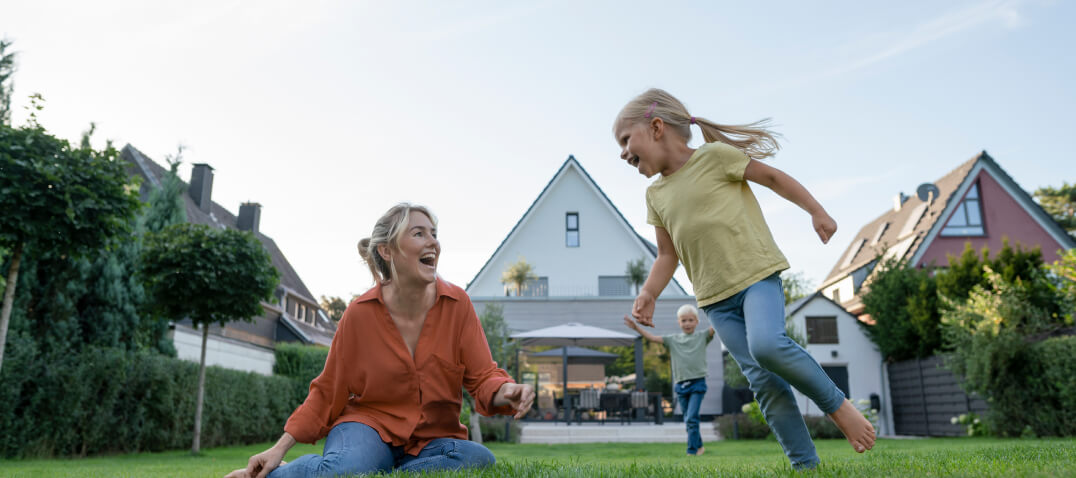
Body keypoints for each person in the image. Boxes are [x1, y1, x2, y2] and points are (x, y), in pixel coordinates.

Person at [614, 88, 875, 470]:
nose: (622, 153)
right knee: (764, 382)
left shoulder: (715, 158)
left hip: (756, 276)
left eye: (625, 140)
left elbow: (770, 177)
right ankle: (806, 466)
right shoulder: (655, 195)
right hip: (715, 300)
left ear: (656, 127)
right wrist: (650, 292)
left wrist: (816, 210)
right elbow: (667, 254)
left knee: (767, 345)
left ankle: (838, 407)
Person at [225, 203, 535, 478]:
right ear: (387, 251)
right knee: (348, 470)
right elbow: (327, 390)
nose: (433, 242)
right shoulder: (360, 314)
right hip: (368, 427)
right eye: (419, 233)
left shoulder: (458, 305)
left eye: (434, 233)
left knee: (478, 459)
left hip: (432, 440)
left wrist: (507, 390)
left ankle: (377, 471)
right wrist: (278, 449)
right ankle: (283, 475)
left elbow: (483, 378)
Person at [624, 305, 714, 456]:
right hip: (681, 385)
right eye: (684, 320)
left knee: (691, 418)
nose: (687, 323)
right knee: (688, 420)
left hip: (697, 383)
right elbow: (652, 337)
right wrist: (636, 328)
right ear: (679, 322)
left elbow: (716, 326)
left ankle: (691, 452)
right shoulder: (673, 340)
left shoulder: (702, 336)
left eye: (691, 320)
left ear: (697, 321)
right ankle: (699, 446)